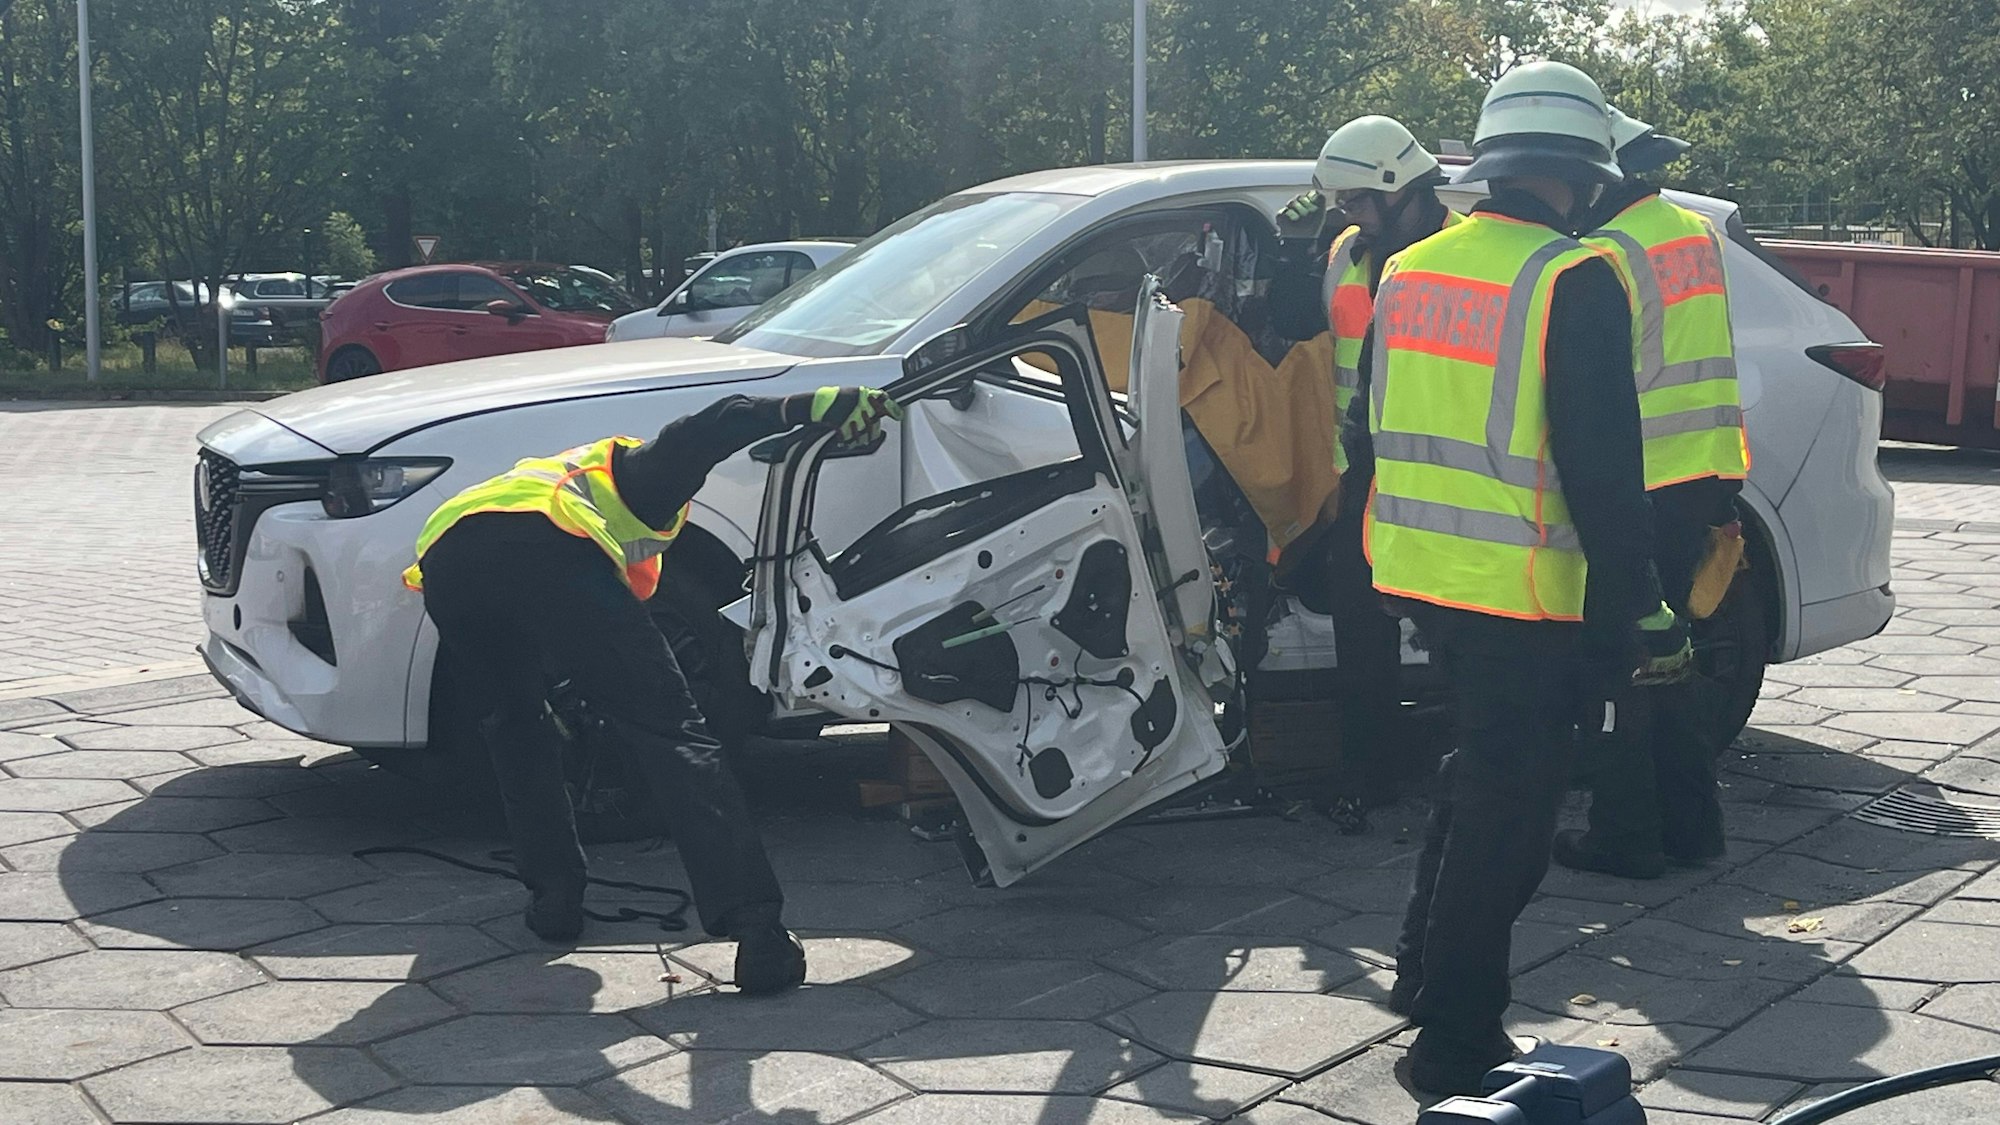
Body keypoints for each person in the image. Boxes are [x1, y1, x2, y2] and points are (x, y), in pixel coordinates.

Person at [1366, 62, 1689, 1094]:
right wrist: (1642, 606)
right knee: (1512, 816)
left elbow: (1362, 428)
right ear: (1584, 172)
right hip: (1525, 595)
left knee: (1476, 776)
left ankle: (1420, 977)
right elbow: (1602, 468)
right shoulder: (1571, 276)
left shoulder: (1408, 268)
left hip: (1421, 573)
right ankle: (1454, 1036)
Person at [403, 387, 901, 994]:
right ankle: (758, 934)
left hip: (448, 566)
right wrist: (812, 404)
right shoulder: (633, 475)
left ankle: (555, 901)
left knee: (516, 729)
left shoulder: (539, 479)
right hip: (545, 549)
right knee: (673, 733)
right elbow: (714, 422)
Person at [1554, 108, 1750, 878]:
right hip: (1702, 471)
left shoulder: (1605, 253)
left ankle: (1625, 833)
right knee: (1673, 659)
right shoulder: (1692, 234)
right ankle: (1694, 824)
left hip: (1643, 480)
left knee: (1622, 660)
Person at [1280, 116, 1464, 833]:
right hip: (1366, 470)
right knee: (1360, 619)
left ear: (1402, 189)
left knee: (1451, 623)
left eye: (1356, 200)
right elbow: (1300, 320)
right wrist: (1293, 249)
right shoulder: (1348, 250)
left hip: (1451, 471)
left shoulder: (1459, 255)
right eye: (1342, 203)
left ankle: (1470, 765)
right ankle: (1372, 769)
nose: (1348, 215)